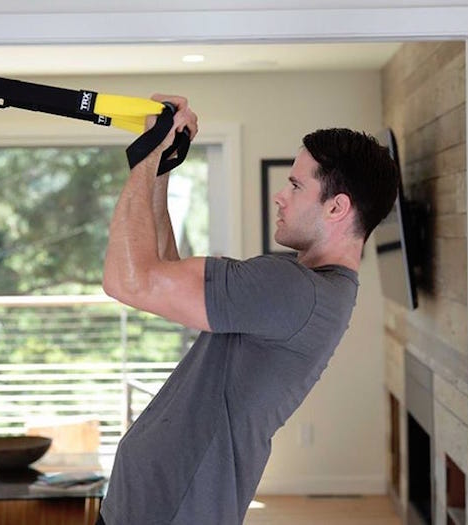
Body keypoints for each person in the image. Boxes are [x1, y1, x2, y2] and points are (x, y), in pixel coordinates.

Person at [97, 94, 400, 525]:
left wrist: (145, 156)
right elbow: (162, 272)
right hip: (154, 505)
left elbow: (125, 280)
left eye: (296, 186)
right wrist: (161, 167)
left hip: (167, 511)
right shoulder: (296, 280)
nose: (281, 196)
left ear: (337, 207)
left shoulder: (293, 291)